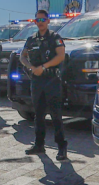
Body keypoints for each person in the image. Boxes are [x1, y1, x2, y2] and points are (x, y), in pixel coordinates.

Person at [20, 10, 68, 160]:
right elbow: (23, 56)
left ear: (48, 21)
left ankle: (61, 147)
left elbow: (61, 56)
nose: (40, 22)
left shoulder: (55, 37)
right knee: (38, 114)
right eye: (37, 20)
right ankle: (39, 145)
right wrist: (30, 67)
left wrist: (44, 67)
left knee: (55, 115)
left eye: (43, 19)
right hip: (37, 80)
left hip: (51, 79)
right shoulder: (31, 39)